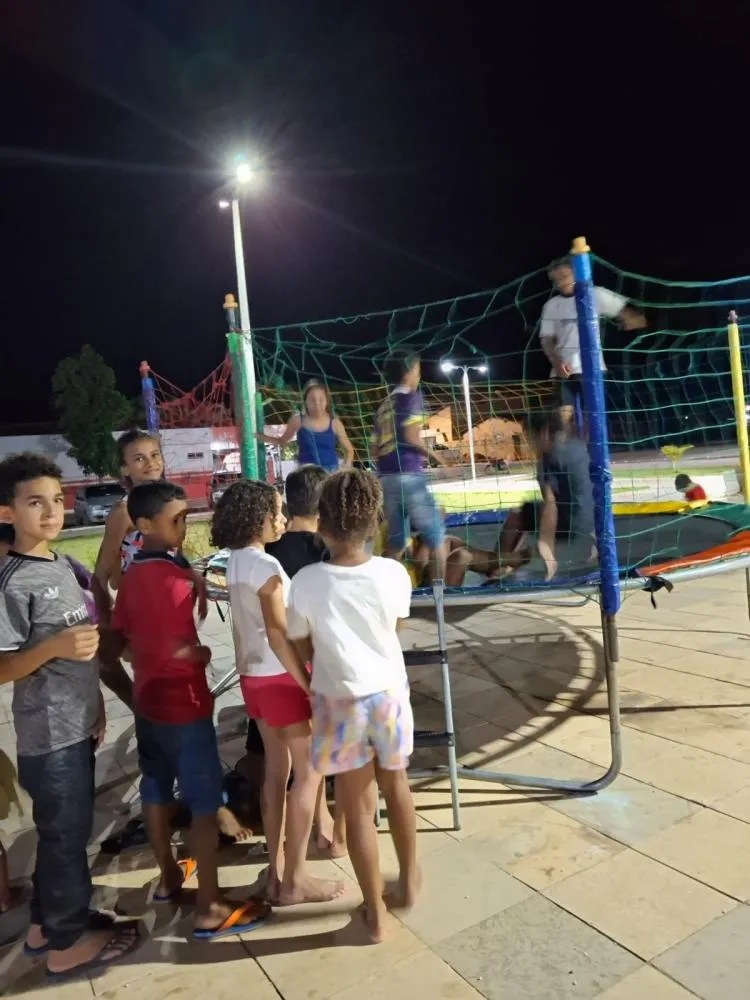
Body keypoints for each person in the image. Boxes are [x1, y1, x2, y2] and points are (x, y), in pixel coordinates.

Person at [0, 452, 138, 980]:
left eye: (57, 500)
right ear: (8, 512)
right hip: (48, 734)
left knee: (63, 834)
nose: (52, 511)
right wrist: (53, 647)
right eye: (35, 502)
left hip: (76, 722)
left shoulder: (58, 564)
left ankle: (46, 927)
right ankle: (67, 944)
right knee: (65, 839)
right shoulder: (12, 582)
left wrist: (96, 700)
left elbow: (83, 650)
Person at [112, 480, 268, 938]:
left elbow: (122, 639)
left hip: (148, 701)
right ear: (144, 525)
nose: (185, 525)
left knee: (156, 788)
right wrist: (198, 655)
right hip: (183, 702)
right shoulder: (173, 579)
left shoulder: (133, 574)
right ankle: (210, 906)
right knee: (203, 803)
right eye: (176, 519)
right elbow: (176, 648)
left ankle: (168, 878)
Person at [287, 469, 420, 943]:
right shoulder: (393, 573)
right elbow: (394, 629)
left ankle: (375, 913)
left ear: (321, 524)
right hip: (388, 696)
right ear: (375, 522)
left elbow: (302, 643)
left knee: (358, 808)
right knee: (398, 787)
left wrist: (322, 668)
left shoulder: (306, 581)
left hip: (338, 701)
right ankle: (410, 880)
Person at [212, 479, 345, 906]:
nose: (283, 519)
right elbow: (278, 633)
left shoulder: (236, 561)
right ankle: (295, 879)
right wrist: (308, 684)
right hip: (281, 678)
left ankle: (277, 870)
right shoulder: (265, 566)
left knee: (276, 771)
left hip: (254, 678)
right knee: (310, 772)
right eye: (277, 511)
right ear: (258, 518)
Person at [373, 351, 447, 580]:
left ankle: (385, 590)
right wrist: (437, 457)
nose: (419, 376)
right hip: (409, 476)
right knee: (437, 538)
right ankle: (442, 593)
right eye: (417, 370)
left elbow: (374, 449)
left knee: (396, 543)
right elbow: (411, 436)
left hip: (387, 479)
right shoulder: (411, 398)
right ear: (408, 373)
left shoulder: (383, 406)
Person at [540, 256, 646, 411]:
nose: (561, 283)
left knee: (593, 414)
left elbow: (633, 318)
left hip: (593, 368)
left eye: (564, 277)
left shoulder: (595, 295)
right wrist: (556, 361)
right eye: (556, 280)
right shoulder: (551, 306)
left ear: (575, 273)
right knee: (564, 415)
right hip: (563, 371)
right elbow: (546, 340)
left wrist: (628, 323)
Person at [500, 410, 596, 580]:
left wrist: (546, 546)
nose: (530, 443)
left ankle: (498, 566)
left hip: (572, 525)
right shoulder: (579, 447)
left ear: (543, 432)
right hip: (592, 522)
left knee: (518, 514)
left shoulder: (548, 459)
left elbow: (550, 505)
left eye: (531, 437)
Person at [257, 380, 354, 473]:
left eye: (321, 399)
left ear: (327, 401)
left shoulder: (335, 423)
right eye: (312, 400)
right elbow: (281, 441)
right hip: (306, 473)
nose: (317, 404)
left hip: (330, 472)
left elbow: (349, 450)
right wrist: (258, 436)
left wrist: (347, 464)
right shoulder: (297, 420)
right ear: (305, 401)